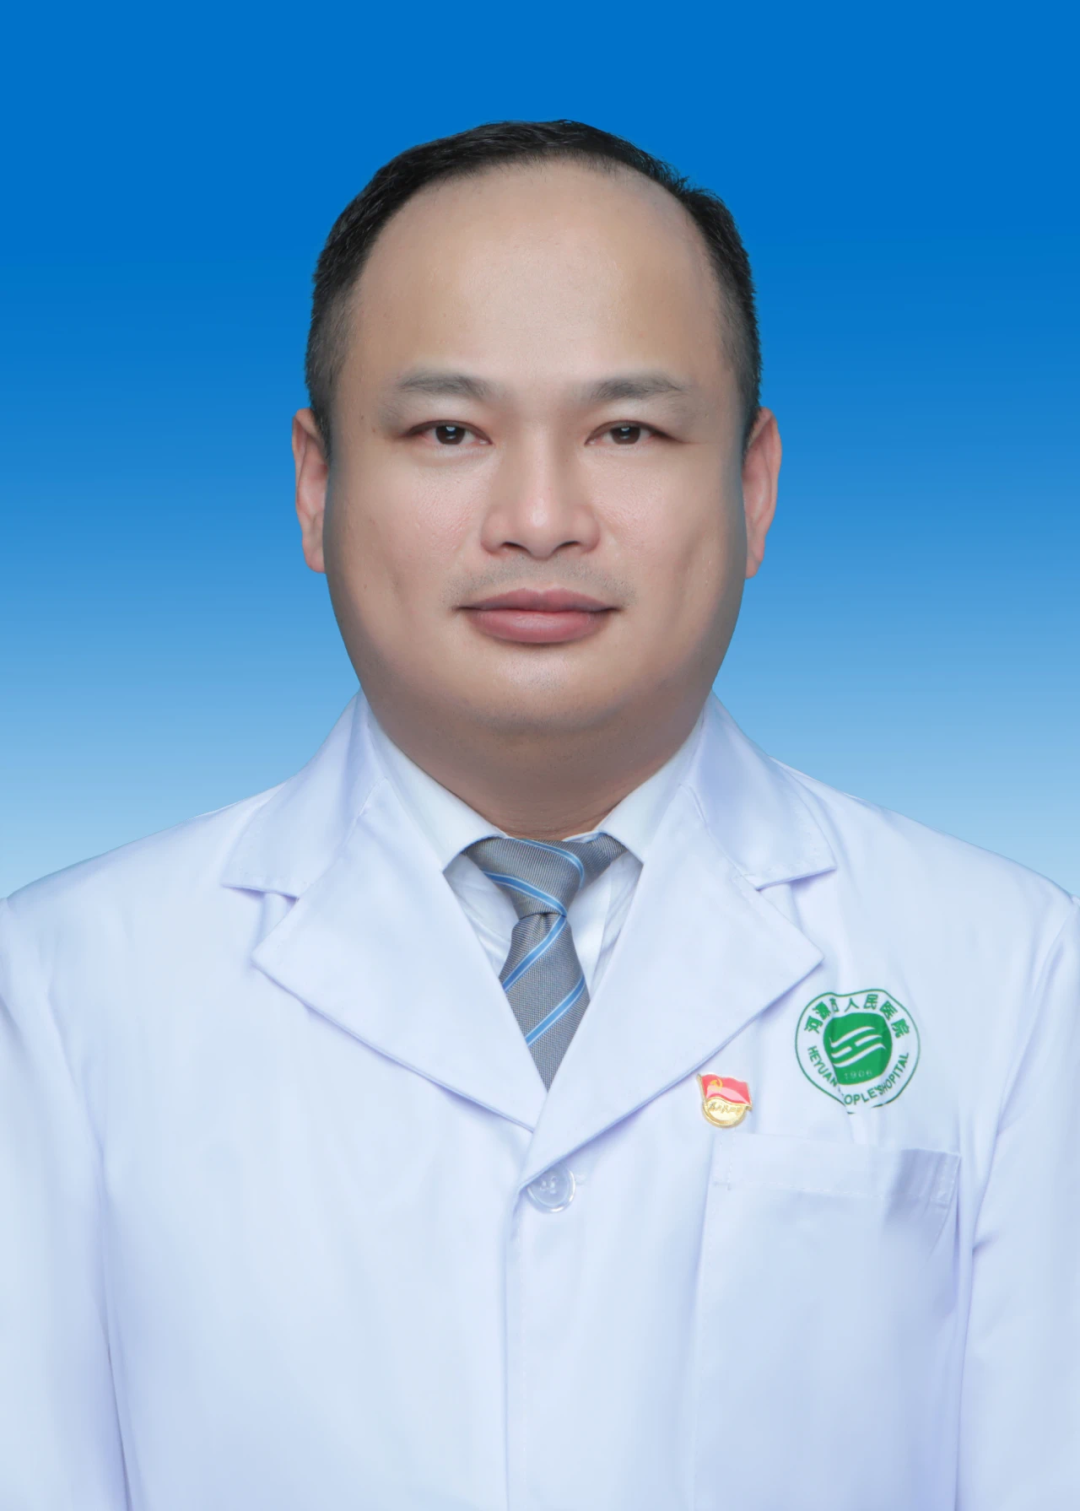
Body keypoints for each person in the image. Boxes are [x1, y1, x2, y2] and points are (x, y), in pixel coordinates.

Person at [1, 120, 1076, 1511]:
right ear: (316, 486)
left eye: (627, 430)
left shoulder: (1011, 972)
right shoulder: (63, 989)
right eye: (449, 431)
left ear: (754, 486)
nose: (540, 516)